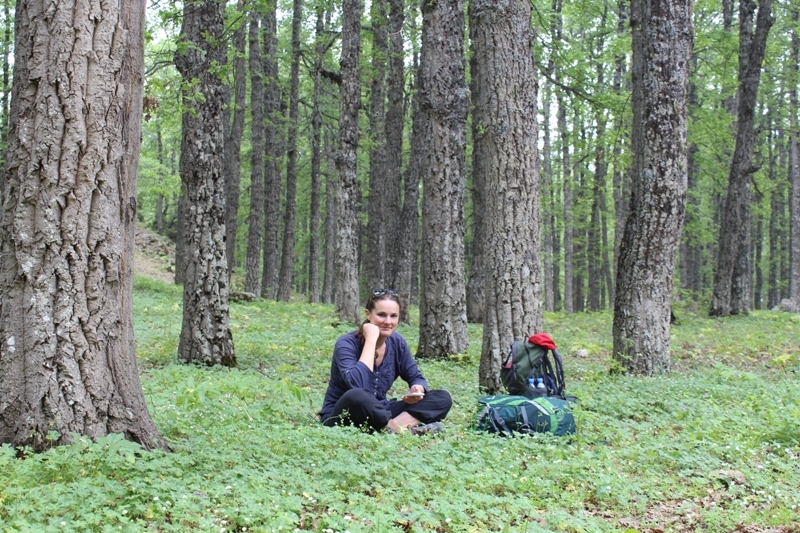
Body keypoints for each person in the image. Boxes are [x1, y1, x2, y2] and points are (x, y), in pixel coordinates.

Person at [319, 289, 452, 434]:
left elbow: (416, 376)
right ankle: (401, 430)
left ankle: (391, 429)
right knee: (356, 395)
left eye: (393, 316)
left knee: (442, 398)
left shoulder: (397, 342)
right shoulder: (346, 343)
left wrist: (417, 388)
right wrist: (371, 340)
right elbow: (358, 384)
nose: (388, 322)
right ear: (368, 314)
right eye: (381, 315)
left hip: (381, 410)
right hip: (344, 414)